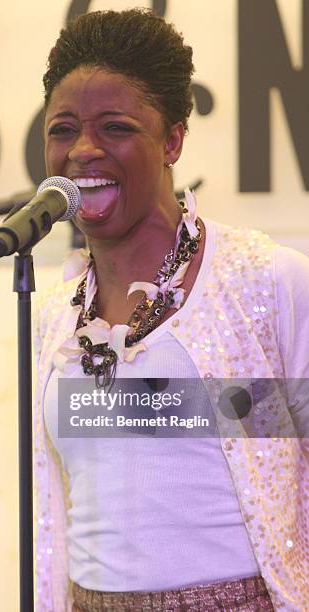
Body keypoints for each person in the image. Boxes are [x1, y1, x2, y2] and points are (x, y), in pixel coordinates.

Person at [33, 8, 309, 611]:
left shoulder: (266, 284)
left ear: (174, 140)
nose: (83, 150)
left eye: (115, 127)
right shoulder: (51, 316)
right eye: (62, 129)